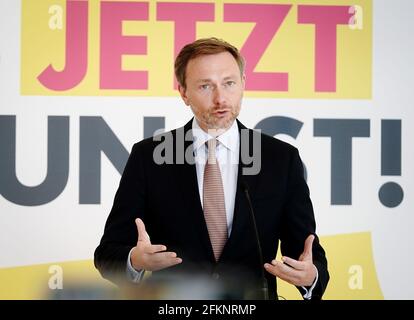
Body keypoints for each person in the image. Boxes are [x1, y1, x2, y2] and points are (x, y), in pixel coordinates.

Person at [94, 37, 329, 300]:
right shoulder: (148, 157)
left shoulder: (280, 159)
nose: (220, 98)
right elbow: (108, 254)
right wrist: (135, 260)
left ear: (243, 84)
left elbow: (308, 254)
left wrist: (311, 276)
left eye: (229, 83)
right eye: (205, 86)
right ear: (184, 92)